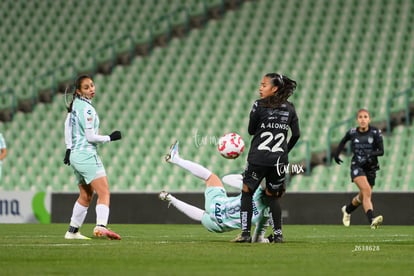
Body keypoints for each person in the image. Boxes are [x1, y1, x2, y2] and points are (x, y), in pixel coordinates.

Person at [159, 141, 271, 243]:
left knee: (211, 178)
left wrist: (245, 177)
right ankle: (170, 198)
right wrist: (267, 240)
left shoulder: (254, 190)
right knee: (201, 215)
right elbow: (257, 239)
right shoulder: (264, 215)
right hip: (218, 225)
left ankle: (176, 159)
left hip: (216, 204)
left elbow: (226, 179)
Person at [236, 73, 300, 243]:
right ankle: (278, 235)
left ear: (275, 88)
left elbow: (251, 130)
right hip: (279, 161)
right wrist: (285, 151)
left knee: (246, 193)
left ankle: (245, 234)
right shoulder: (290, 107)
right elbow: (296, 135)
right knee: (272, 196)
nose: (260, 88)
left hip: (258, 159)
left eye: (264, 85)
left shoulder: (258, 105)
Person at [63, 74, 122, 240]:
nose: (91, 89)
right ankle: (101, 226)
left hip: (75, 155)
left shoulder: (75, 106)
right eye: (87, 87)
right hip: (86, 154)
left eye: (92, 85)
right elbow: (90, 137)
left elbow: (67, 124)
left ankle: (72, 232)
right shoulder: (86, 108)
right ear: (79, 91)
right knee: (104, 192)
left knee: (86, 195)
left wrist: (68, 149)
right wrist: (110, 137)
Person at [334, 108, 384, 229]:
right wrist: (336, 154)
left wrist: (370, 154)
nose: (363, 119)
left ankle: (347, 210)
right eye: (360, 117)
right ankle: (372, 219)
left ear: (369, 119)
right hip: (357, 166)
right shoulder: (352, 132)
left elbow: (381, 151)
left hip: (371, 168)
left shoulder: (376, 132)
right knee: (367, 191)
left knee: (363, 196)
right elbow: (343, 141)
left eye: (365, 117)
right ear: (357, 120)